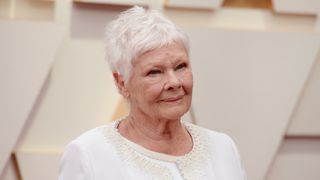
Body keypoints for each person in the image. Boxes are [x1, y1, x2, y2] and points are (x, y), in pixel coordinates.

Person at [59, 6, 246, 180]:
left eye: (181, 66)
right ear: (121, 82)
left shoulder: (222, 147)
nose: (174, 82)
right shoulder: (89, 154)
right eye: (154, 72)